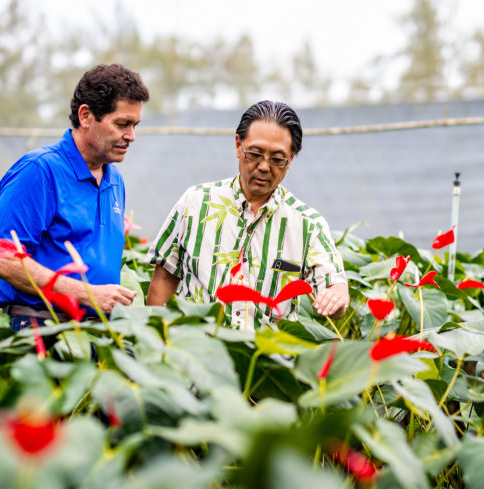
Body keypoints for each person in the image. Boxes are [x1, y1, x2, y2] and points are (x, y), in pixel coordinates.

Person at [146, 100, 349, 330]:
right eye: (254, 153)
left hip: (268, 358)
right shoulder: (195, 203)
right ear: (237, 145)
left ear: (291, 159)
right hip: (198, 351)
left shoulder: (308, 225)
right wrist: (158, 340)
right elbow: (164, 278)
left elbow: (334, 287)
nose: (263, 166)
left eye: (277, 159)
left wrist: (337, 297)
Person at [0, 64, 149, 331]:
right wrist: (87, 293)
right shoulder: (40, 170)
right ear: (85, 116)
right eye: (122, 124)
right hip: (42, 328)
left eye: (135, 125)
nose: (131, 136)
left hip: (97, 331)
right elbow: (2, 259)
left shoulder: (114, 180)